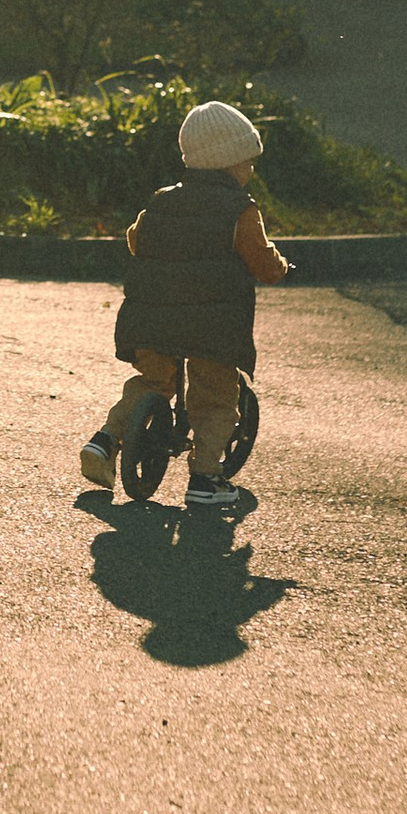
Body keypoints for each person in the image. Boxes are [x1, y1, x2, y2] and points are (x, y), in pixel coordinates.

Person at [81, 98, 291, 511]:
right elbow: (263, 264)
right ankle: (206, 477)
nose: (251, 170)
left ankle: (105, 441)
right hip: (211, 327)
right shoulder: (241, 211)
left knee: (152, 381)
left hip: (151, 319)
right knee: (214, 394)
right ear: (231, 163)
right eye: (248, 162)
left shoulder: (161, 201)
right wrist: (282, 266)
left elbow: (135, 240)